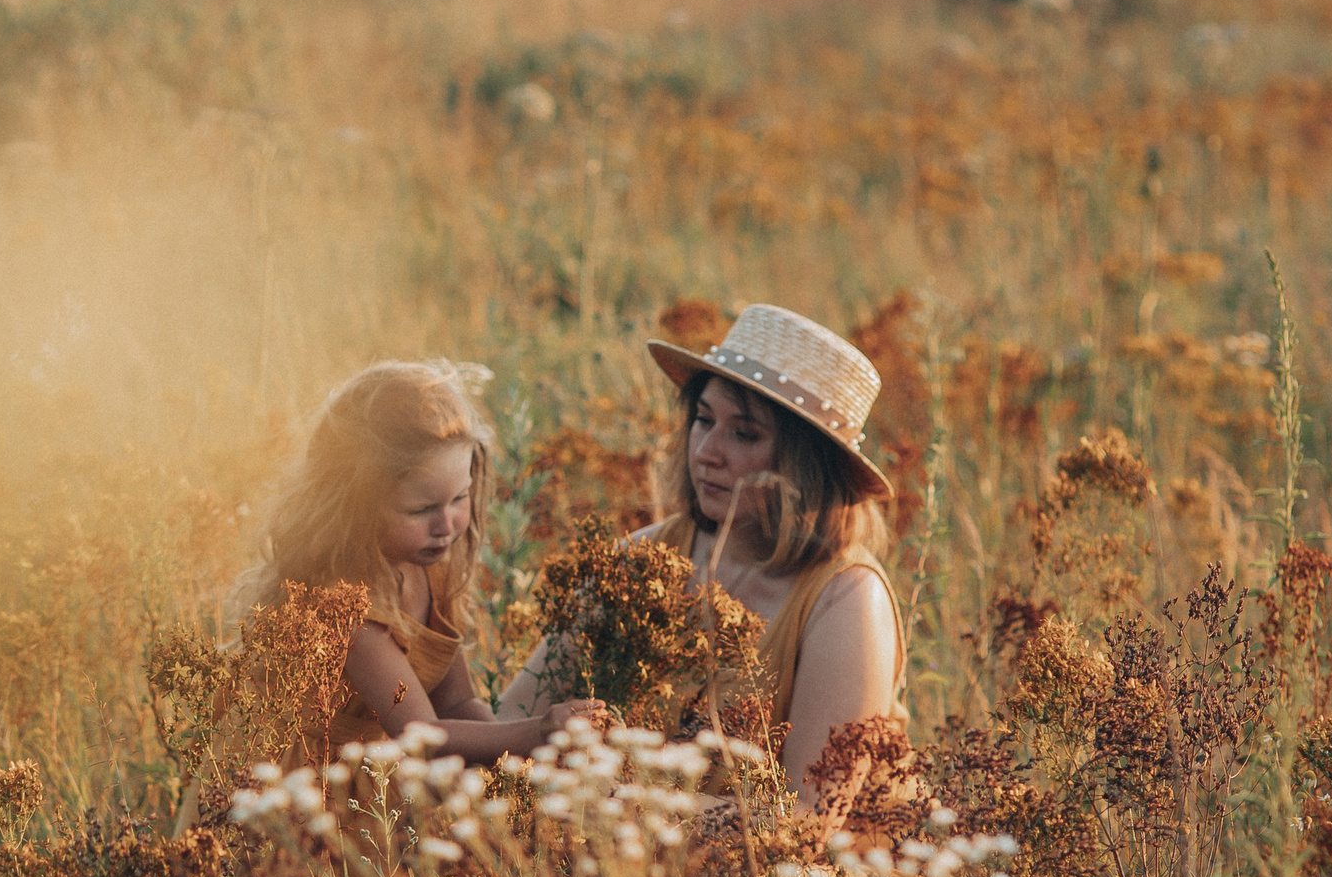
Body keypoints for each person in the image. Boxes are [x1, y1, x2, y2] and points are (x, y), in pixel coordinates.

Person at [498, 304, 904, 805]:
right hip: (622, 864)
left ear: (808, 464)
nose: (706, 451)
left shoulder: (847, 601)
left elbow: (805, 825)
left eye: (744, 433)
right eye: (702, 419)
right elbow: (513, 717)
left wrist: (614, 801)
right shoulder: (643, 558)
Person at [236, 360, 584, 764]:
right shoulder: (348, 605)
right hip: (312, 781)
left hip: (380, 769)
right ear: (356, 507)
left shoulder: (429, 565)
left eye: (460, 498)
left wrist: (516, 767)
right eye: (421, 509)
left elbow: (456, 703)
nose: (447, 525)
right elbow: (422, 738)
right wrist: (536, 733)